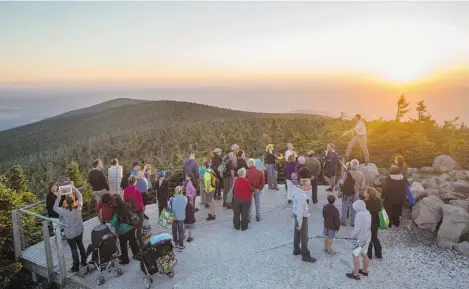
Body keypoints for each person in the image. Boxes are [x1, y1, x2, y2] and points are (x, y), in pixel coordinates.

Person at [53, 187, 86, 272]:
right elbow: (80, 196)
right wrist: (73, 187)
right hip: (79, 231)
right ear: (74, 200)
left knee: (73, 249)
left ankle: (76, 267)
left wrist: (59, 196)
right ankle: (84, 261)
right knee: (81, 245)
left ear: (66, 203)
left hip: (70, 234)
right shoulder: (79, 207)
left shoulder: (64, 211)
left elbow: (54, 208)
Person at [291, 179, 316, 263]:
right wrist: (300, 223)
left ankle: (296, 249)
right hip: (301, 217)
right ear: (304, 185)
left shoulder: (296, 190)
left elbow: (295, 205)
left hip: (297, 216)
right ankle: (305, 255)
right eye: (308, 185)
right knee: (304, 237)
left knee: (297, 233)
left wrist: (293, 213)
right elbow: (300, 211)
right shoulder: (301, 196)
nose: (310, 187)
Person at [110, 195, 140, 265]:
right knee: (133, 242)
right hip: (131, 227)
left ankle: (125, 259)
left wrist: (110, 223)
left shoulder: (116, 210)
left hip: (122, 231)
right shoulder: (127, 205)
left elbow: (114, 222)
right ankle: (137, 255)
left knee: (123, 245)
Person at [346, 200, 371, 280]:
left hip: (360, 237)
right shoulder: (367, 212)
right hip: (367, 236)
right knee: (364, 253)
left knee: (355, 254)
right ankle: (365, 270)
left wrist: (352, 236)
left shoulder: (359, 214)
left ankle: (356, 274)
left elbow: (357, 228)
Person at [340, 159, 367, 226]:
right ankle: (353, 222)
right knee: (354, 207)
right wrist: (358, 189)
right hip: (356, 193)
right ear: (357, 166)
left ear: (351, 165)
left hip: (347, 193)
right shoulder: (361, 174)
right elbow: (363, 185)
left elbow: (342, 183)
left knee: (345, 206)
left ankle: (343, 221)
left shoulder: (346, 173)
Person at [123, 175, 145, 249]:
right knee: (139, 230)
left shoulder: (125, 191)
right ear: (135, 182)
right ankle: (142, 246)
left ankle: (134, 245)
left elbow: (125, 201)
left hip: (130, 213)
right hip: (138, 212)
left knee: (132, 229)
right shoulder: (137, 191)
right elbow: (140, 204)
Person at [365, 187, 383, 260]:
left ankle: (369, 255)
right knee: (375, 237)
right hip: (376, 222)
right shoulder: (378, 201)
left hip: (368, 222)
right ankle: (378, 254)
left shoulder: (366, 202)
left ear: (368, 194)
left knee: (368, 238)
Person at [170, 186, 188, 252]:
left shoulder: (172, 198)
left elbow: (169, 206)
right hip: (181, 216)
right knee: (181, 231)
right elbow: (185, 205)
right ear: (181, 191)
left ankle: (176, 243)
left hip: (173, 216)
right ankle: (181, 246)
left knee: (174, 230)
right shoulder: (184, 198)